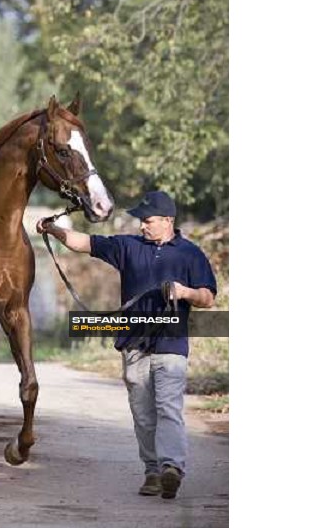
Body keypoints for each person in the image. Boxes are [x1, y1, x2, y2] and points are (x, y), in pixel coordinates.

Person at [36, 191, 216, 499]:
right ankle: (153, 472)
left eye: (148, 221)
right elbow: (85, 242)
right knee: (143, 413)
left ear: (168, 221)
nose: (142, 226)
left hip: (171, 344)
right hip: (133, 344)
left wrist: (184, 292)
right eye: (141, 221)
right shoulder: (127, 246)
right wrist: (53, 229)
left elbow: (208, 298)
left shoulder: (191, 254)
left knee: (168, 407)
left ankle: (172, 467)